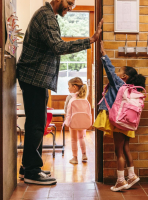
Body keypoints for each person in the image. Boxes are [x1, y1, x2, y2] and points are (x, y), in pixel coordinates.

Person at [16, 0, 103, 185]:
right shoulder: (46, 16)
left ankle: (28, 168)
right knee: (37, 124)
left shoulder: (49, 15)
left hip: (37, 78)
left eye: (73, 5)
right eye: (69, 3)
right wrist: (90, 40)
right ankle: (31, 171)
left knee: (36, 122)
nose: (70, 8)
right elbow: (58, 46)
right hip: (34, 77)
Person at [93, 41, 146, 192]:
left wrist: (103, 53)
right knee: (126, 148)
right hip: (129, 122)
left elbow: (109, 70)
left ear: (124, 76)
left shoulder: (120, 84)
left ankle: (121, 181)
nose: (116, 74)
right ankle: (132, 175)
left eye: (119, 72)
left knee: (119, 151)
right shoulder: (132, 89)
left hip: (119, 121)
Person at [64, 77, 89, 164]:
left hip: (73, 122)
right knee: (81, 137)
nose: (68, 88)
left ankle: (75, 158)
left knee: (74, 139)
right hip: (82, 122)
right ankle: (84, 154)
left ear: (74, 87)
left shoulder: (70, 97)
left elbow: (66, 110)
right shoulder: (84, 98)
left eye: (69, 86)